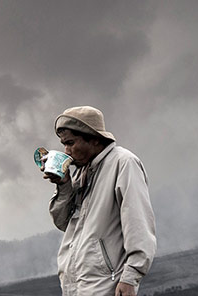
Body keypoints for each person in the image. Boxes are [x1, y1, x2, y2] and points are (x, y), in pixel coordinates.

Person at [41, 106, 156, 296]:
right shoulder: (81, 171)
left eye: (70, 143)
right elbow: (63, 222)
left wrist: (130, 277)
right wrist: (64, 185)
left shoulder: (124, 163)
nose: (66, 151)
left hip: (105, 286)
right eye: (63, 144)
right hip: (76, 287)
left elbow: (138, 223)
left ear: (94, 139)